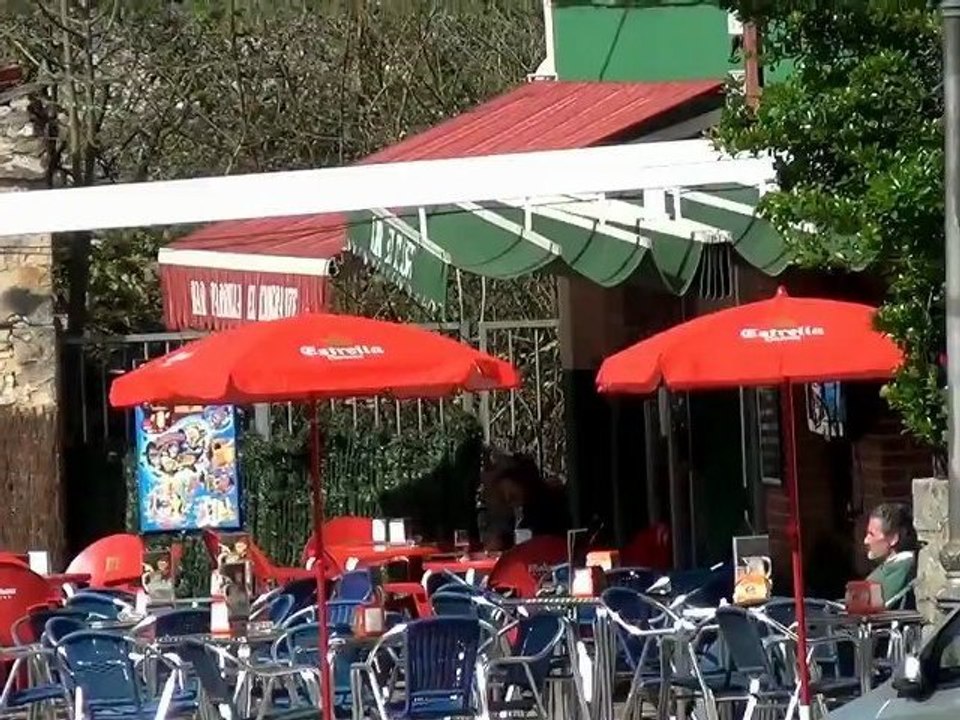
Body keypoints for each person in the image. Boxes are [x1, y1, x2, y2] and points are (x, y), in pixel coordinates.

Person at [477, 450, 570, 551]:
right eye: (503, 499)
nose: (508, 498)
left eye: (506, 492)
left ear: (517, 477)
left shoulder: (549, 502)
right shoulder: (528, 509)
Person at [863, 502, 917, 605]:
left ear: (893, 539)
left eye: (871, 534)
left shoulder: (901, 569)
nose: (866, 541)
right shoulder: (894, 567)